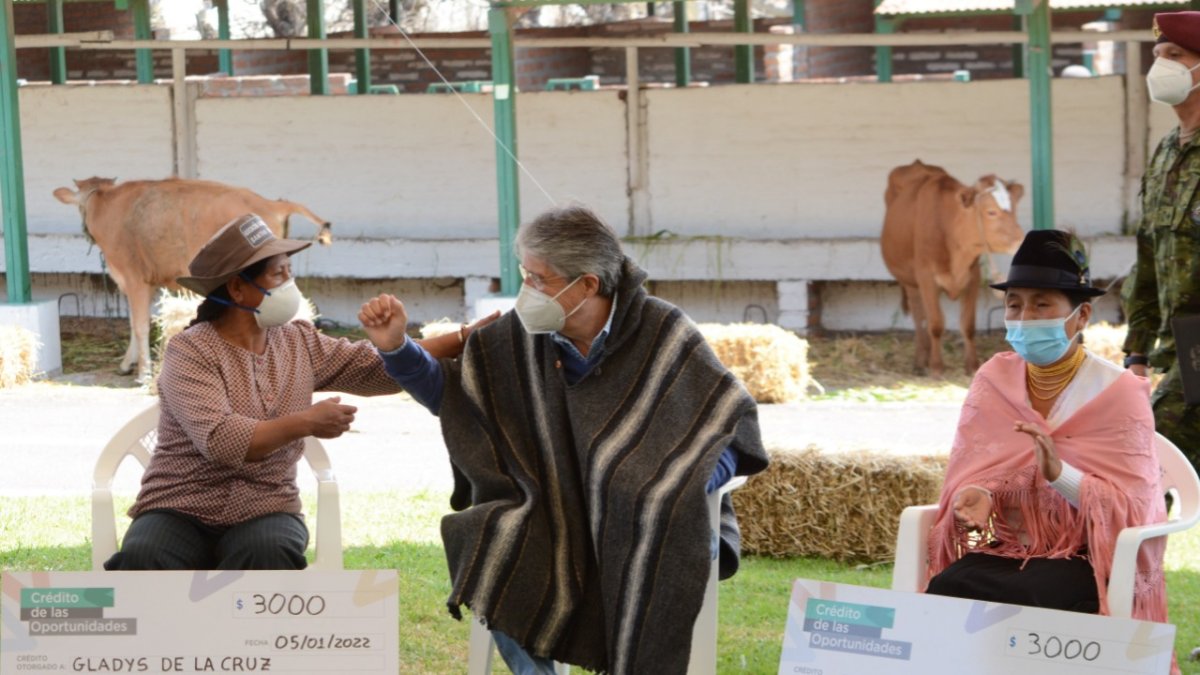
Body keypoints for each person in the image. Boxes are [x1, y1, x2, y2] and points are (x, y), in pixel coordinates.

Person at [359, 205, 769, 674]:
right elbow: (454, 399)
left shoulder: (662, 330)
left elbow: (731, 426)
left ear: (588, 284)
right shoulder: (517, 335)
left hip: (644, 515)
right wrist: (396, 347)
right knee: (494, 544)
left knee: (661, 532)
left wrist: (685, 482)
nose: (527, 290)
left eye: (540, 279)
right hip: (547, 505)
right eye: (524, 275)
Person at [105, 213, 472, 571]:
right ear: (236, 288)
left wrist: (457, 339)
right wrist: (306, 422)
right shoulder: (191, 350)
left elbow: (374, 367)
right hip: (178, 506)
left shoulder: (298, 341)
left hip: (265, 506)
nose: (289, 286)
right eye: (278, 274)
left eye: (290, 274)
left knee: (269, 551)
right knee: (145, 557)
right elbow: (220, 439)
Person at [924, 231, 1174, 667]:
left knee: (1032, 595)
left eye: (1042, 304)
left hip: (1086, 555)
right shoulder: (993, 378)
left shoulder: (1119, 392)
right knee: (949, 585)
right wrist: (980, 495)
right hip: (1012, 547)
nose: (1025, 317)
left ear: (1081, 316)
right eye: (1015, 304)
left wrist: (1060, 475)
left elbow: (1136, 507)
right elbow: (980, 466)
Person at [1122, 10, 1200, 473]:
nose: (1161, 66)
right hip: (1178, 345)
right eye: (1156, 56)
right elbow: (1148, 258)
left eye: (1174, 55)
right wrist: (1136, 351)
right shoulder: (1167, 150)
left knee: (1146, 458)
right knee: (1152, 469)